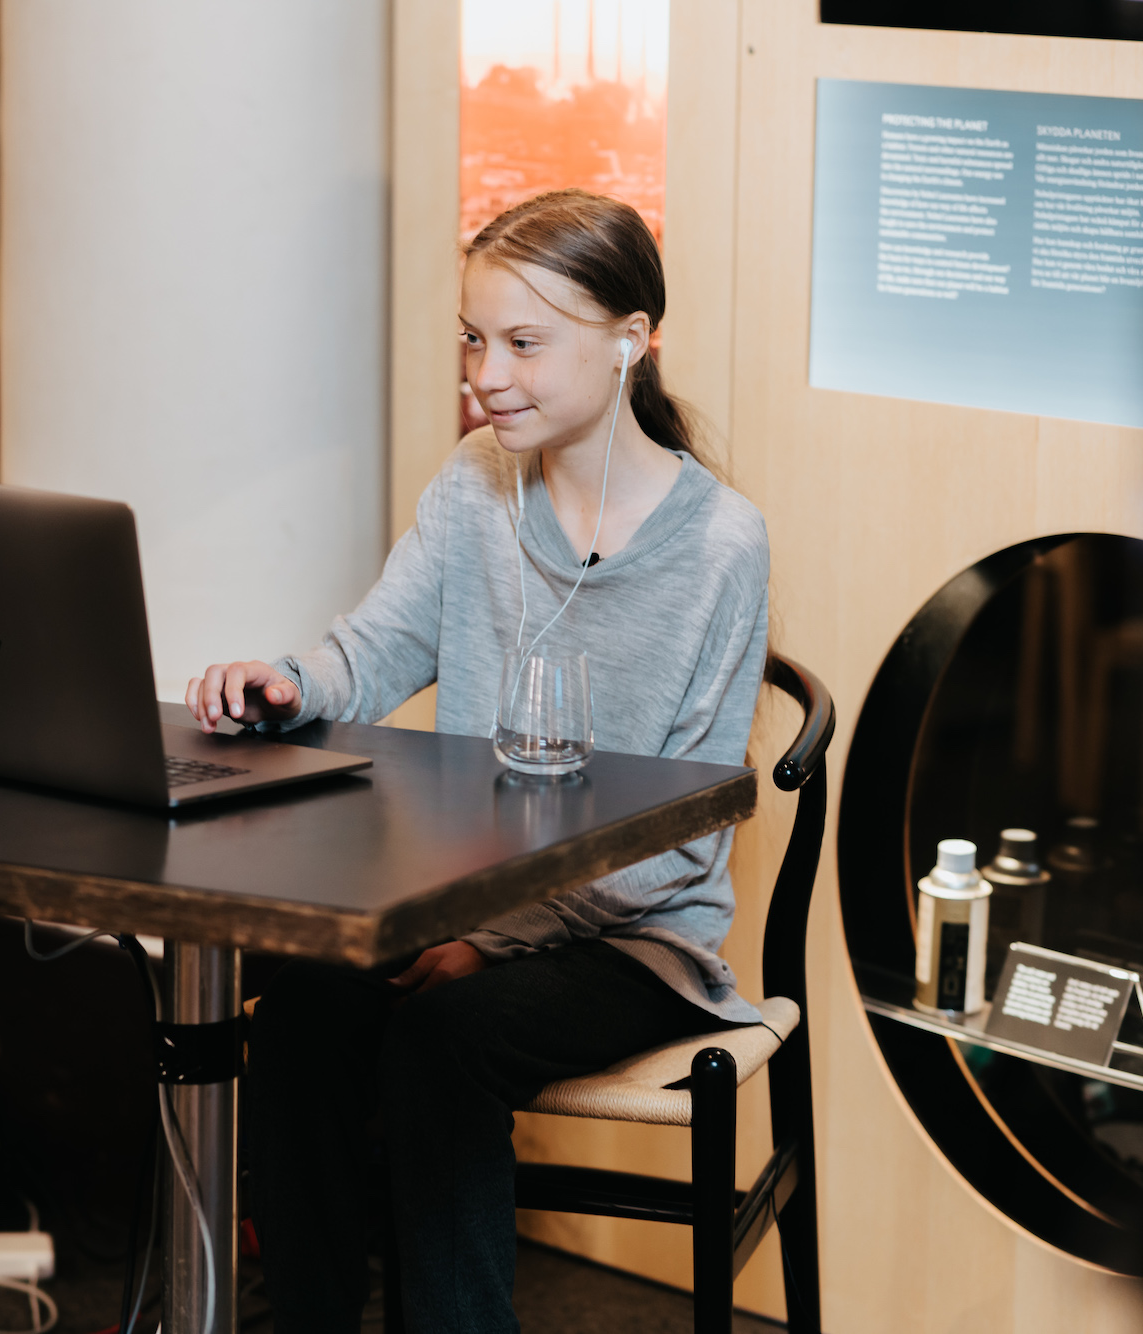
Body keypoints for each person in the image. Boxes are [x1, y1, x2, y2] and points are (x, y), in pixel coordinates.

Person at [184, 189, 771, 1334]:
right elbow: (374, 649)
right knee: (300, 1009)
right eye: (471, 338)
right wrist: (290, 683)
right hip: (465, 902)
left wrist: (487, 939)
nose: (484, 373)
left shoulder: (719, 544)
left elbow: (683, 839)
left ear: (628, 341)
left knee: (443, 1039)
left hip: (631, 936)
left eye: (521, 342)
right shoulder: (473, 484)